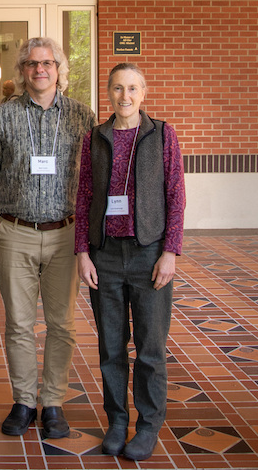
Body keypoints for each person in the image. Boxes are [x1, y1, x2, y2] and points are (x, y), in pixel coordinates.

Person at [0, 37, 96, 438]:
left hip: (65, 234)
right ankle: (24, 400)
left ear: (59, 69)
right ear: (22, 71)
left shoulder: (84, 117)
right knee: (18, 324)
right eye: (32, 64)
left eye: (48, 63)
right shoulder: (3, 116)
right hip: (15, 232)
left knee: (62, 325)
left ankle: (54, 403)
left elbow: (93, 178)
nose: (40, 69)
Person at [75, 63, 185, 460]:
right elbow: (85, 195)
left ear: (144, 93)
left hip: (149, 255)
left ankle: (148, 426)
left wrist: (170, 252)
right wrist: (83, 252)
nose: (125, 96)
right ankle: (117, 420)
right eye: (118, 88)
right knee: (111, 347)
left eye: (133, 88)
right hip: (105, 256)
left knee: (151, 348)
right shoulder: (96, 137)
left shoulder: (162, 135)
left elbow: (176, 196)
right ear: (108, 92)